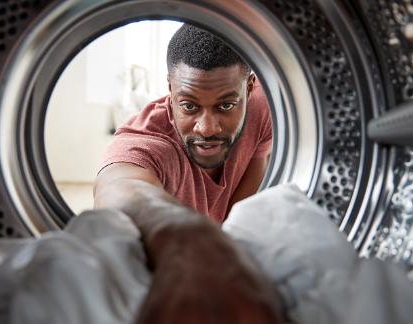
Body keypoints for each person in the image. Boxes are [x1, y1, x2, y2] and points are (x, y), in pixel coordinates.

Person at [93, 24, 282, 323]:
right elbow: (120, 186)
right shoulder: (148, 143)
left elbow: (255, 160)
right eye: (189, 105)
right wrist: (186, 238)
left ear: (249, 87)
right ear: (170, 88)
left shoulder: (263, 107)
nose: (206, 128)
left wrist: (229, 245)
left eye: (226, 105)